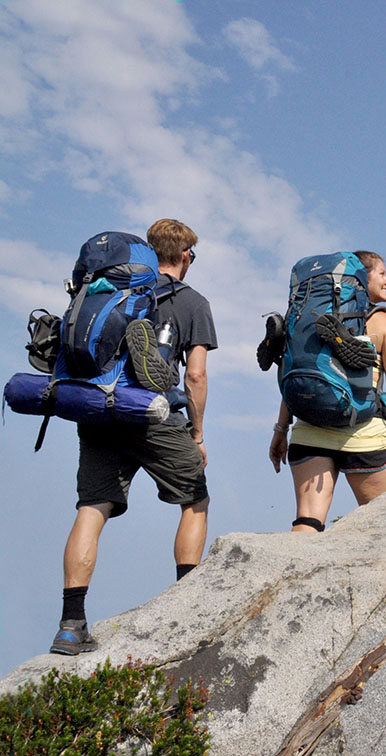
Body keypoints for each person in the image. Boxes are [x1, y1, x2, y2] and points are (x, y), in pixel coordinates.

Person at [51, 218, 217, 655]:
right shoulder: (192, 302)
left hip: (101, 406)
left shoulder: (113, 288)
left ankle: (71, 624)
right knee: (194, 499)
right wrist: (197, 434)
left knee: (92, 507)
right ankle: (189, 603)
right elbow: (195, 375)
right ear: (185, 256)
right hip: (153, 412)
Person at [268, 251, 386, 532]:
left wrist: (280, 430)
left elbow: (297, 371)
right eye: (382, 274)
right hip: (363, 433)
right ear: (362, 277)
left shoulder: (308, 320)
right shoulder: (384, 323)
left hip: (309, 428)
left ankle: (293, 575)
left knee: (307, 521)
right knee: (381, 528)